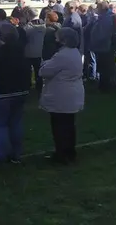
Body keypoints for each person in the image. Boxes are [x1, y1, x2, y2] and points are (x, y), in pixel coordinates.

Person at [0, 24, 31, 164]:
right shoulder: (22, 51)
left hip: (2, 92)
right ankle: (16, 154)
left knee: (0, 125)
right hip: (20, 90)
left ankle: (1, 155)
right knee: (16, 123)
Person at [38, 27, 85, 165]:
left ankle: (62, 154)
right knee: (69, 125)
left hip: (61, 94)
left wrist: (44, 63)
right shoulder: (75, 52)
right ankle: (70, 152)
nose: (55, 40)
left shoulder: (62, 55)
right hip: (72, 92)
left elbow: (44, 71)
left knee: (59, 126)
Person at [88, 1, 116, 93]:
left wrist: (96, 41)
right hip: (102, 46)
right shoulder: (104, 16)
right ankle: (105, 85)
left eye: (97, 8)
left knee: (105, 68)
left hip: (104, 46)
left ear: (101, 9)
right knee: (103, 67)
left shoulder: (107, 18)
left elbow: (104, 33)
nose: (96, 10)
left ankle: (105, 86)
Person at [24, 7, 46, 93]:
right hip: (40, 51)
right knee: (38, 71)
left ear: (28, 15)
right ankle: (39, 86)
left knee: (28, 71)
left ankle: (27, 86)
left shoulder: (28, 27)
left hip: (29, 52)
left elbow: (23, 36)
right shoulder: (44, 26)